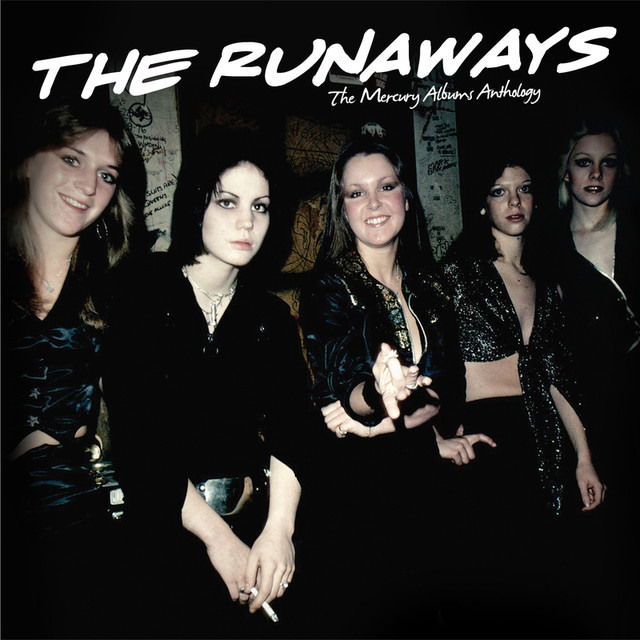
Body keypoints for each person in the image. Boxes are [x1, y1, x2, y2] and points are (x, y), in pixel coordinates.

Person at [103, 126, 312, 639]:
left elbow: (293, 431)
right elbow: (139, 437)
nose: (247, 222)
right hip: (162, 531)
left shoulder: (270, 316)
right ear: (197, 202)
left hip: (250, 524)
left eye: (260, 207)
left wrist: (278, 533)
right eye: (227, 202)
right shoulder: (142, 288)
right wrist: (219, 541)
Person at [297, 136, 495, 638]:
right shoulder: (329, 286)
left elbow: (445, 387)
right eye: (356, 193)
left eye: (386, 187)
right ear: (342, 208)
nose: (374, 203)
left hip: (419, 478)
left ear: (406, 196)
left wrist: (426, 435)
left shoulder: (430, 284)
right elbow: (342, 383)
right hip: (356, 492)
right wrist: (373, 395)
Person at [439, 147, 605, 637]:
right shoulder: (456, 276)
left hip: (545, 442)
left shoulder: (548, 282)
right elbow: (430, 367)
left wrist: (584, 458)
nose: (514, 202)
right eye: (500, 191)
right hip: (486, 446)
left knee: (549, 589)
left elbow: (557, 376)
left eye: (524, 189)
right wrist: (440, 435)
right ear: (482, 203)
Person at [1, 97, 148, 638]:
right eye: (71, 159)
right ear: (26, 160)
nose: (88, 186)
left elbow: (145, 410)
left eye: (106, 174)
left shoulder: (117, 289)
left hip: (74, 522)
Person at [553, 116, 639, 638]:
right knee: (605, 550)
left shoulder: (634, 231)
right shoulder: (549, 247)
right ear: (566, 171)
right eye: (583, 162)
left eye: (607, 163)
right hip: (593, 412)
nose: (595, 174)